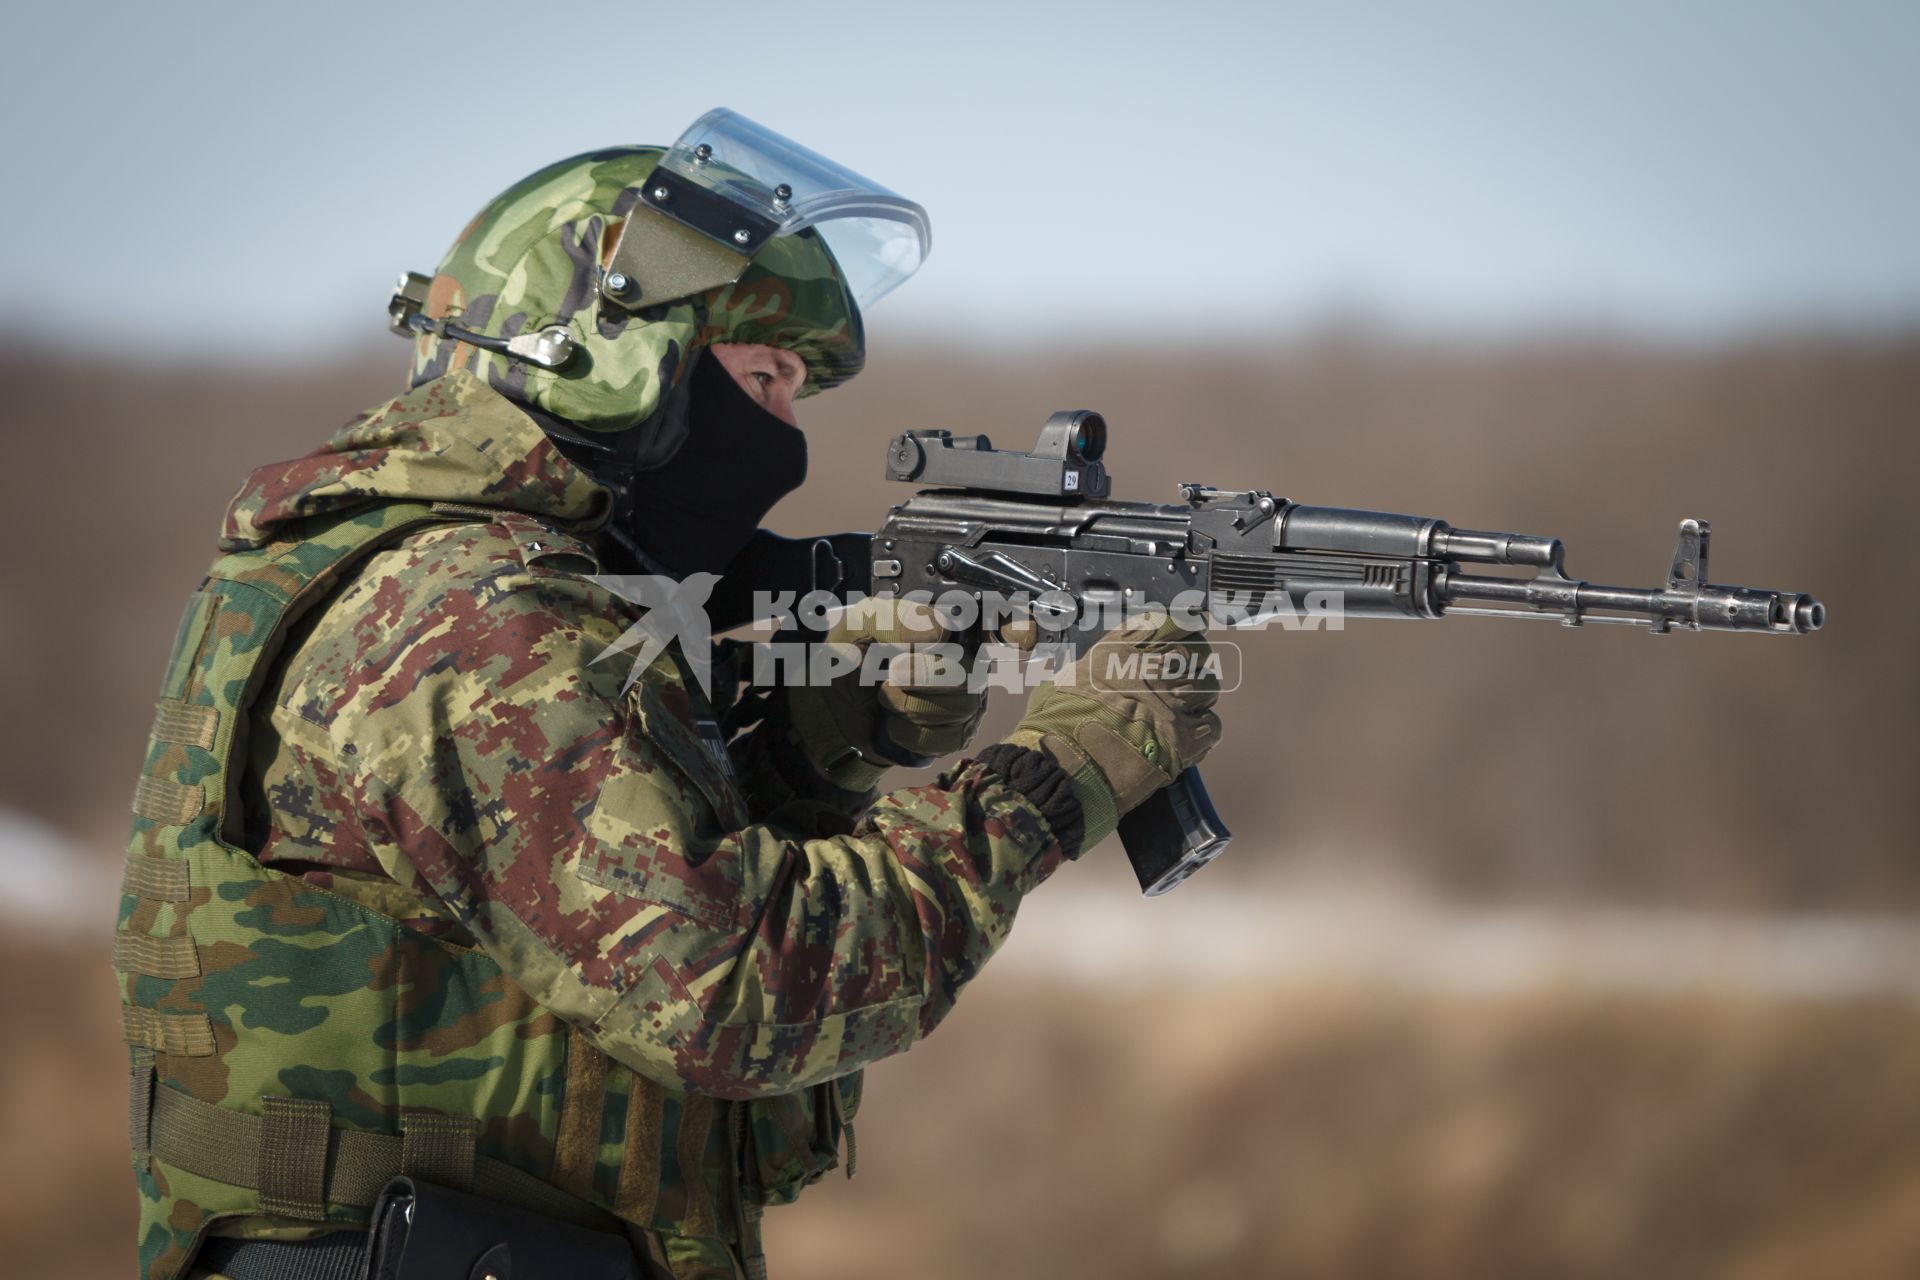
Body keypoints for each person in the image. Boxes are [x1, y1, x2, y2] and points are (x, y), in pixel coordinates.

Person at [117, 111, 1222, 1280]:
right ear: (611, 360)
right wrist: (1055, 779)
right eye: (762, 378)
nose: (786, 436)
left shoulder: (409, 573)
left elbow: (590, 933)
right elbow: (740, 990)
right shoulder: (471, 614)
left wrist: (825, 739)